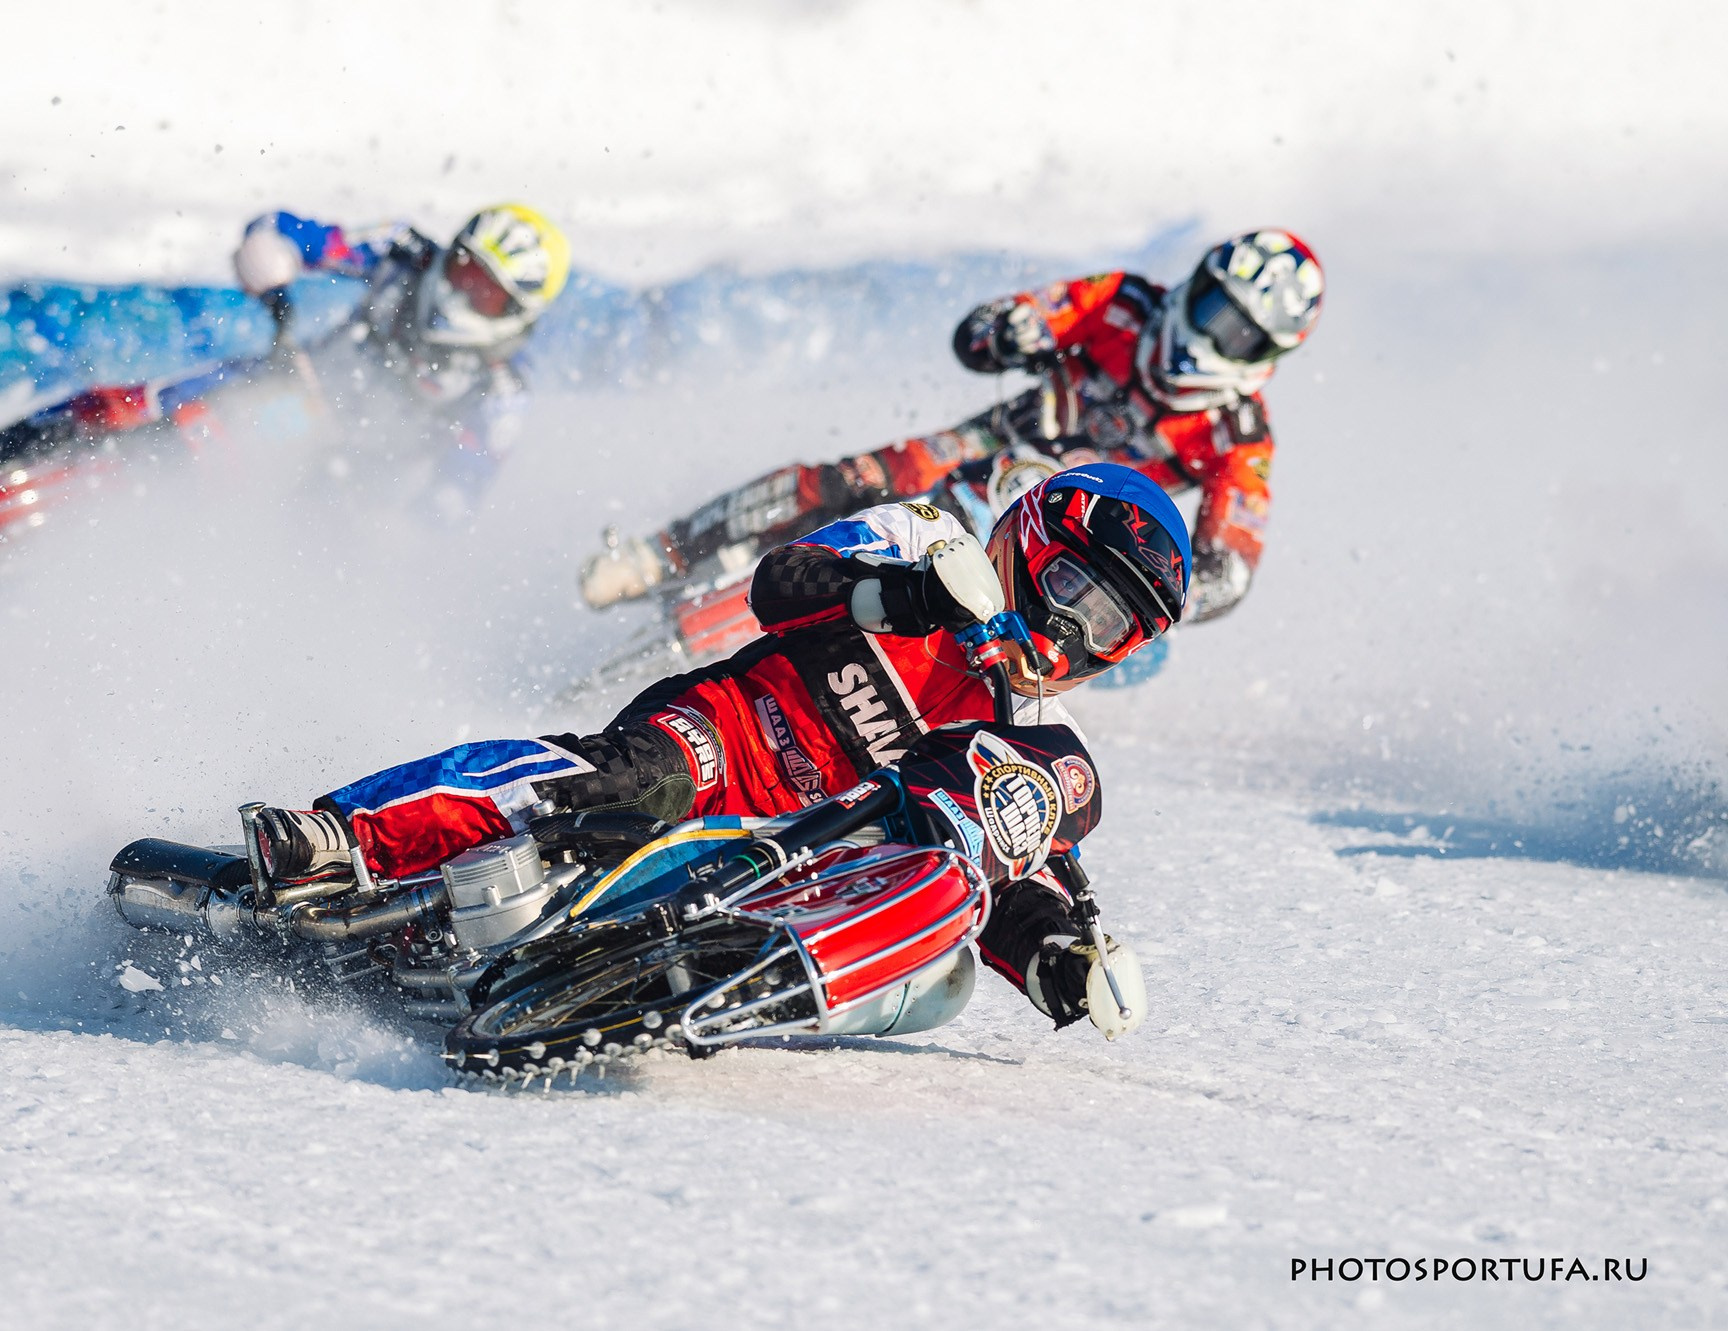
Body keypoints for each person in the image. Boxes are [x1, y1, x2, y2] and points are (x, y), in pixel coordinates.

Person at [249, 462, 1191, 1031]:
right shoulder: (927, 539)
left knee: (935, 969)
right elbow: (782, 585)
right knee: (627, 783)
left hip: (787, 862)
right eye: (1074, 588)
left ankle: (625, 984)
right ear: (1031, 540)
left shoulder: (1020, 744)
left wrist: (1057, 954)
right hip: (725, 732)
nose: (1073, 632)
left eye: (1108, 628)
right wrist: (910, 599)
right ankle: (345, 837)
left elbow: (995, 871)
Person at [580, 229, 1319, 625]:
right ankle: (659, 552)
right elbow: (1010, 318)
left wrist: (1187, 581)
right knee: (844, 479)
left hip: (1058, 535)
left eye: (1240, 332)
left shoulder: (1238, 434)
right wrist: (1010, 331)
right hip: (989, 442)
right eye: (1213, 306)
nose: (1209, 336)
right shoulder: (1124, 300)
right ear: (1193, 285)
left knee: (954, 600)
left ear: (1267, 357)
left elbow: (1235, 558)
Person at [232, 203, 572, 507]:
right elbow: (297, 233)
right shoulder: (405, 253)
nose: (459, 293)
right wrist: (273, 252)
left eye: (484, 292)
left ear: (516, 310)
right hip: (293, 392)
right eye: (463, 270)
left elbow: (455, 498)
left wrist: (394, 530)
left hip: (357, 491)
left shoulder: (504, 390)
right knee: (206, 419)